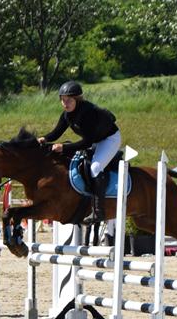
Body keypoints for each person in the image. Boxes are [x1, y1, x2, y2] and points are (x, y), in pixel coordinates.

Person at [38, 80, 120, 225]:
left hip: (109, 139)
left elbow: (87, 142)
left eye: (68, 100)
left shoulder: (87, 113)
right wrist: (44, 138)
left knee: (95, 168)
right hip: (95, 139)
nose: (65, 103)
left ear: (77, 99)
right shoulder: (67, 115)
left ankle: (98, 212)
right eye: (62, 100)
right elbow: (56, 133)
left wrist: (64, 148)